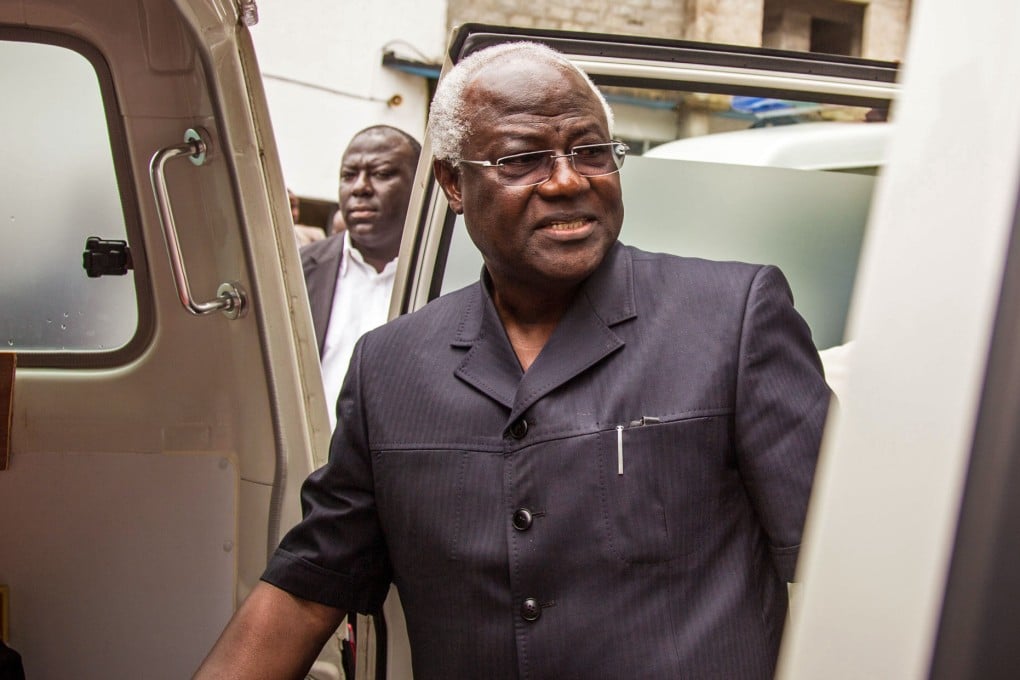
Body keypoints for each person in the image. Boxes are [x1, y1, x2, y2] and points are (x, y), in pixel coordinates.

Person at [195, 42, 830, 679]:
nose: (566, 180)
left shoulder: (731, 317)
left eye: (590, 151)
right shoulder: (389, 368)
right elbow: (310, 587)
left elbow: (843, 564)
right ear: (452, 183)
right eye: (523, 159)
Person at [301, 125, 421, 429]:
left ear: (422, 185)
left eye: (380, 174)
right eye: (348, 175)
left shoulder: (444, 279)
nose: (360, 188)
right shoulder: (297, 272)